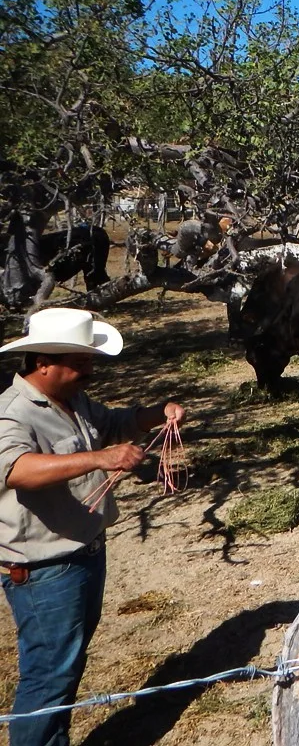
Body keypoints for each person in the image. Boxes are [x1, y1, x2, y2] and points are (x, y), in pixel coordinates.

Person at [0, 308, 187, 746]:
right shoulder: (12, 414)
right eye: (79, 362)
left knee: (64, 668)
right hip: (44, 569)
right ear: (43, 362)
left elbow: (111, 423)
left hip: (81, 553)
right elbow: (18, 470)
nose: (89, 370)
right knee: (49, 676)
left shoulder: (73, 400)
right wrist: (101, 458)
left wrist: (155, 413)